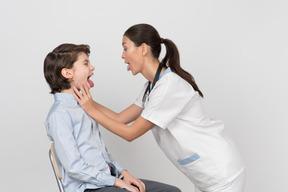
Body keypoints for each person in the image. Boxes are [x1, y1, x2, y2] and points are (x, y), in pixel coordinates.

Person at [73, 23, 245, 192]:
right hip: (206, 174)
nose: (122, 56)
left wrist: (91, 109)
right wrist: (86, 100)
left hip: (221, 172)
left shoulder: (168, 87)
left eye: (125, 48)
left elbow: (130, 133)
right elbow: (120, 118)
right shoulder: (152, 86)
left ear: (143, 49)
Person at [43, 43, 181, 192]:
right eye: (85, 63)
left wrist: (123, 173)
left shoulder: (85, 107)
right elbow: (74, 167)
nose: (92, 67)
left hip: (107, 180)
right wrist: (115, 181)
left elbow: (102, 154)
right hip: (88, 187)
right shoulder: (59, 115)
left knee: (171, 191)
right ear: (67, 73)